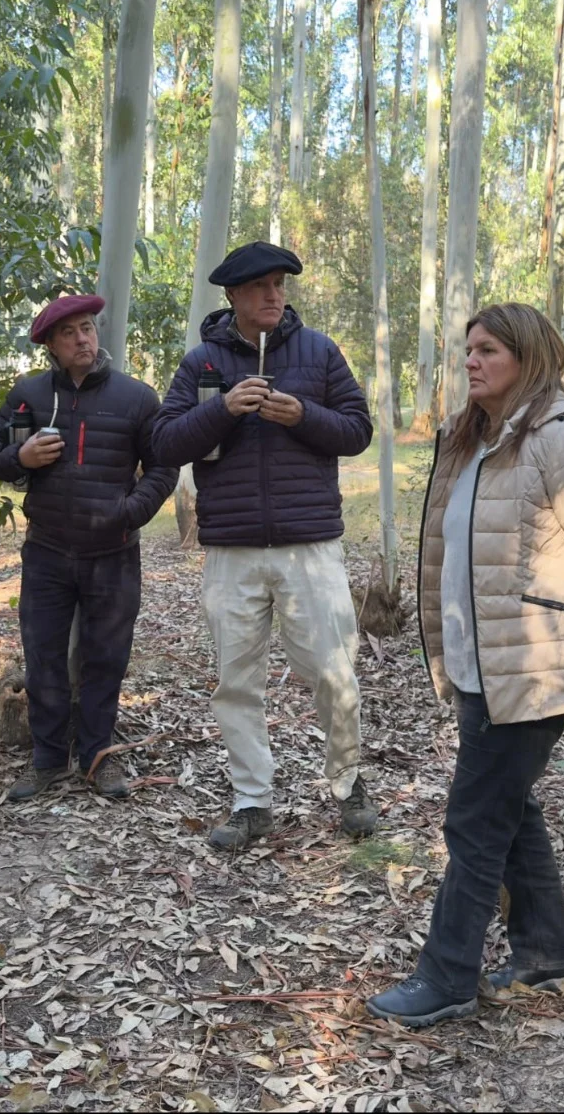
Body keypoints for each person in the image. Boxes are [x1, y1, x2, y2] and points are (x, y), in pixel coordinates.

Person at [365, 303, 564, 1027]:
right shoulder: (474, 438)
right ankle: (548, 954)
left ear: (530, 356)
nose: (472, 361)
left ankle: (447, 976)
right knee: (509, 809)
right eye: (468, 350)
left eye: (489, 350)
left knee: (474, 821)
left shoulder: (563, 438)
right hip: (481, 664)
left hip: (537, 666)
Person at [152, 241, 378, 850]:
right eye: (260, 288)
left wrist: (300, 414)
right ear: (232, 297)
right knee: (236, 682)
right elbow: (166, 442)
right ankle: (252, 800)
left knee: (334, 674)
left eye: (280, 285)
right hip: (231, 550)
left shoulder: (320, 352)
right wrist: (222, 409)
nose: (274, 296)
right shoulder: (201, 364)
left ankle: (349, 781)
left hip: (311, 547)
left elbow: (358, 431)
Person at [0, 295, 176, 800]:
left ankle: (98, 757)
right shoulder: (30, 395)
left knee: (107, 657)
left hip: (114, 554)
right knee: (43, 656)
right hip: (47, 552)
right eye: (70, 334)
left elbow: (164, 467)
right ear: (52, 347)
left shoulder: (136, 398)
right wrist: (20, 455)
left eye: (87, 328)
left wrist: (130, 512)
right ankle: (46, 759)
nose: (83, 338)